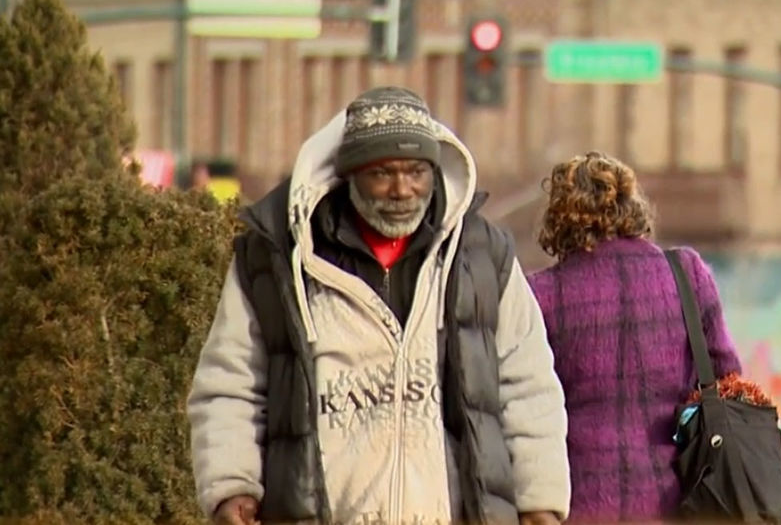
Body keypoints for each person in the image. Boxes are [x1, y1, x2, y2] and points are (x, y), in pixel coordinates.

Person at [187, 87, 570, 525]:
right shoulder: (275, 259)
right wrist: (231, 485)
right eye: (382, 173)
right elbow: (230, 384)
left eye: (416, 172)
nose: (402, 189)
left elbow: (528, 386)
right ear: (349, 175)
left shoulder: (481, 257)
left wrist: (539, 501)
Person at [526, 151, 742, 523]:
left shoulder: (538, 294)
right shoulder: (685, 273)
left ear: (559, 218)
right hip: (677, 501)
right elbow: (730, 379)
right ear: (633, 206)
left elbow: (524, 408)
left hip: (576, 504)